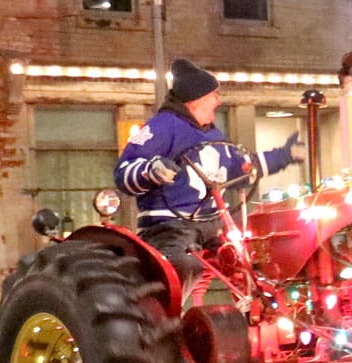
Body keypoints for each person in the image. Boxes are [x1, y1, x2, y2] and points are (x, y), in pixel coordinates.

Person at [114, 57, 305, 298]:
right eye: (214, 95)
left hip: (213, 226)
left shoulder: (214, 135)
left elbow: (242, 168)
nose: (219, 100)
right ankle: (164, 324)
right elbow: (124, 171)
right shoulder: (161, 127)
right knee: (178, 268)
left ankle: (258, 316)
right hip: (171, 226)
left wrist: (284, 156)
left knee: (248, 265)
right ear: (197, 100)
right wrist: (153, 170)